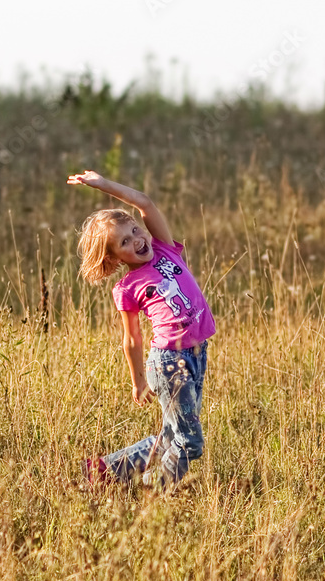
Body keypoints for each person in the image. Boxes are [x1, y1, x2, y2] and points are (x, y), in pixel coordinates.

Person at [68, 170, 216, 491]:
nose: (137, 240)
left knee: (174, 433)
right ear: (114, 257)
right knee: (190, 442)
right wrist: (137, 380)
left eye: (135, 230)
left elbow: (144, 202)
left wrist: (104, 184)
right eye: (124, 241)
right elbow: (131, 339)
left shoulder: (165, 248)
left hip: (196, 354)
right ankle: (153, 491)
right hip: (167, 363)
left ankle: (106, 470)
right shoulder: (127, 287)